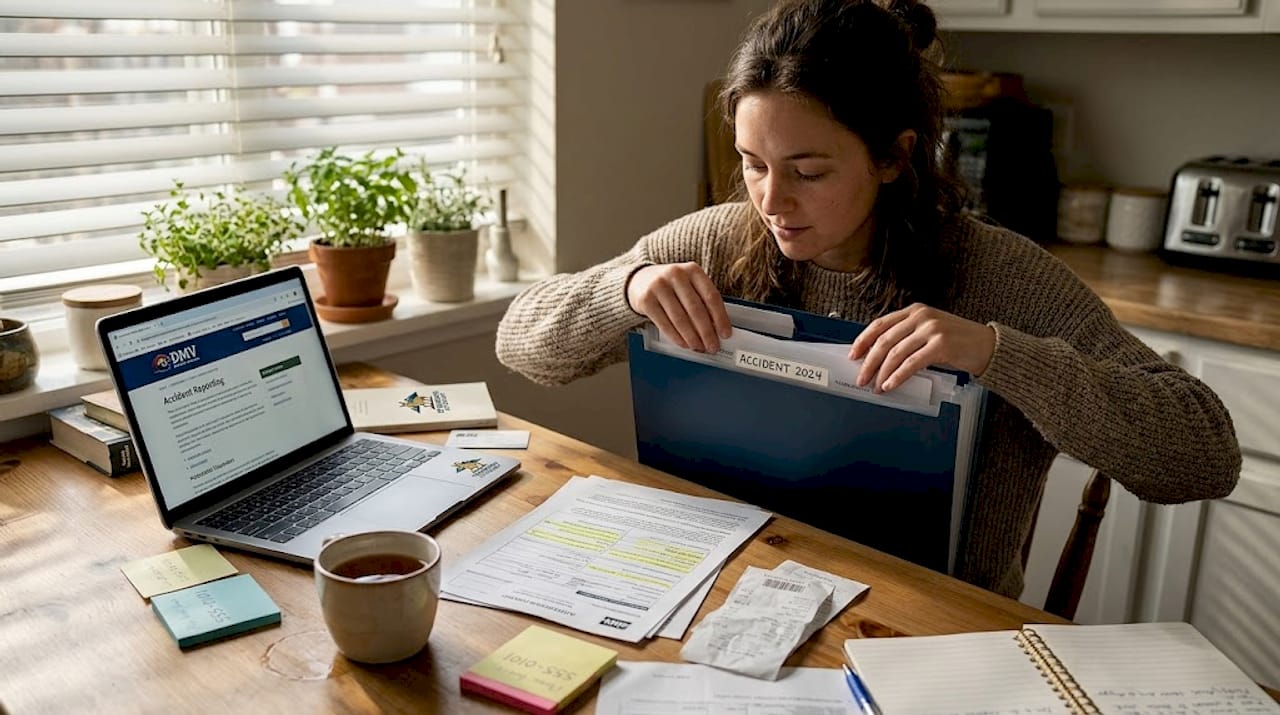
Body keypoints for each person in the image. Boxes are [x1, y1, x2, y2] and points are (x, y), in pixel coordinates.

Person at [495, 0, 1240, 599]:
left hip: (938, 622)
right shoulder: (724, 239)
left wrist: (998, 354)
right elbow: (520, 340)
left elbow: (1206, 454)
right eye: (753, 165)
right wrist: (624, 288)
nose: (772, 201)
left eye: (808, 170)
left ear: (894, 156)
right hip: (728, 589)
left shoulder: (1002, 274)